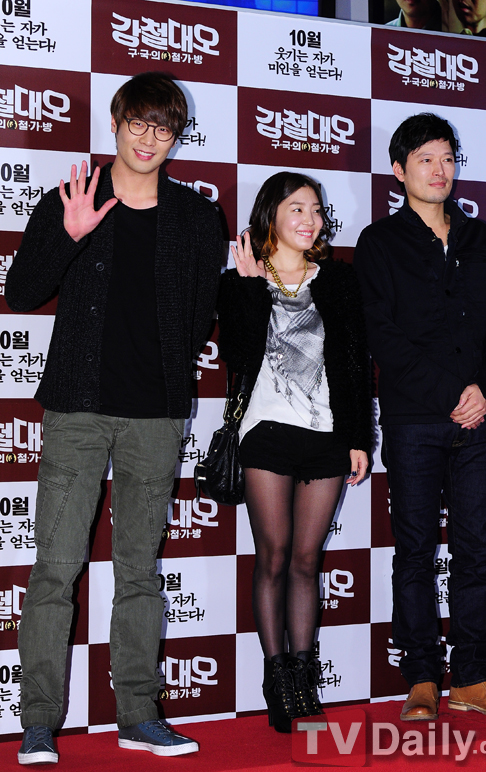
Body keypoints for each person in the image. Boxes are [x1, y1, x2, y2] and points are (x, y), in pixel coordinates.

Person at [5, 71, 223, 763]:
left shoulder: (197, 219)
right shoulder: (74, 197)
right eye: (139, 122)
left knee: (139, 571)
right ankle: (39, 720)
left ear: (176, 136)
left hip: (154, 418)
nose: (149, 138)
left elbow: (199, 318)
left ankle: (139, 714)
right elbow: (21, 291)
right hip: (77, 409)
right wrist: (68, 236)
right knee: (55, 567)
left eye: (164, 127)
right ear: (116, 122)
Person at [354, 113, 486, 722]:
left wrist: (484, 390)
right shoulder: (379, 242)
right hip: (414, 421)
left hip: (481, 420)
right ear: (398, 170)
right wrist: (454, 391)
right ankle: (423, 679)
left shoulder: (482, 239)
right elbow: (384, 337)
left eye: (448, 158)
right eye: (425, 159)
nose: (439, 169)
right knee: (415, 551)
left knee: (476, 550)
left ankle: (474, 678)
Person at [217, 172, 371, 733]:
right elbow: (236, 356)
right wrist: (245, 286)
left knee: (308, 561)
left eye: (317, 210)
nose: (310, 219)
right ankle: (277, 678)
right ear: (271, 216)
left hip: (326, 435)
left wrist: (359, 438)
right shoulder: (243, 279)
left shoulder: (339, 280)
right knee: (275, 556)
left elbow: (355, 366)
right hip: (266, 434)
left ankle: (304, 679)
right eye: (297, 209)